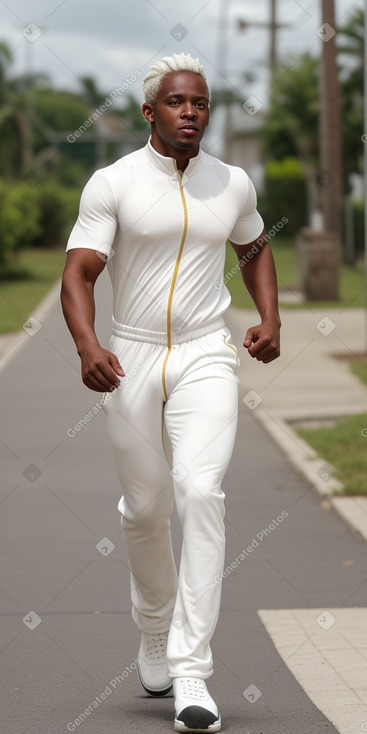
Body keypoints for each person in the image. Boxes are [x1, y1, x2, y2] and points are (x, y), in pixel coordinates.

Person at [61, 52, 281, 734]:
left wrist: (268, 316)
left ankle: (191, 668)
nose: (192, 113)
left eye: (202, 103)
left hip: (205, 353)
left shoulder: (230, 183)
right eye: (179, 103)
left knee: (199, 491)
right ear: (152, 110)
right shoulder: (114, 182)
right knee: (147, 508)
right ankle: (153, 630)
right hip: (130, 355)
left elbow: (252, 246)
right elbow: (79, 273)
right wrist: (89, 345)